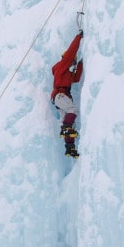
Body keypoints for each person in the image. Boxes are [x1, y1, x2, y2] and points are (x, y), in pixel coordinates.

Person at [51, 29, 84, 157]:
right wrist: (78, 37)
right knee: (73, 111)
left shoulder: (66, 73)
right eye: (72, 61)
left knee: (69, 123)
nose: (72, 63)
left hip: (61, 97)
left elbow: (76, 78)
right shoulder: (62, 65)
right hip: (60, 95)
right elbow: (71, 52)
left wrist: (80, 64)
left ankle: (69, 148)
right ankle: (66, 127)